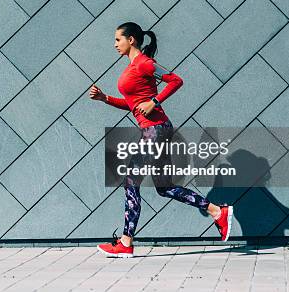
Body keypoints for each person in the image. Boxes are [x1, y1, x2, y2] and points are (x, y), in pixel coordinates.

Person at [89, 22, 232, 258]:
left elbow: (176, 80)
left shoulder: (145, 63)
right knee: (164, 187)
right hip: (156, 129)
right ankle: (218, 212)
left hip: (155, 130)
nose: (115, 44)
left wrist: (154, 102)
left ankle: (125, 243)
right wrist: (105, 98)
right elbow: (134, 104)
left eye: (118, 40)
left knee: (131, 180)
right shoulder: (132, 67)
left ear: (131, 40)